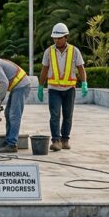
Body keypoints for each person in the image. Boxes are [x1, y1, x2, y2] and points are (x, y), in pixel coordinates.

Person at [37, 23, 87, 152]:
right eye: (54, 38)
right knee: (54, 115)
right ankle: (56, 141)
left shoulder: (74, 51)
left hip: (69, 89)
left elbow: (81, 68)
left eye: (59, 38)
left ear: (66, 37)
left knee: (68, 115)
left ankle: (65, 140)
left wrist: (84, 83)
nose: (56, 40)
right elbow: (44, 69)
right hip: (54, 89)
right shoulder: (48, 51)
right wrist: (40, 86)